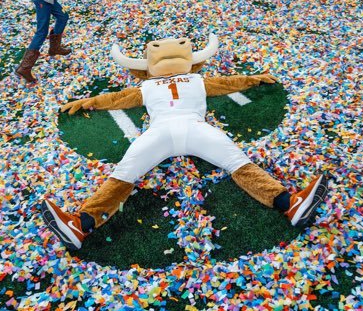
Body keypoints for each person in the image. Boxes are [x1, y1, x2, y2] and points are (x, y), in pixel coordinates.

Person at [40, 34, 328, 250]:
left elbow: (230, 83)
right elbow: (117, 99)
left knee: (236, 163)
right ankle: (80, 226)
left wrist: (253, 79)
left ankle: (291, 204)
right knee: (233, 163)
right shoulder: (157, 84)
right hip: (186, 131)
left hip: (169, 132)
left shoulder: (179, 81)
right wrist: (90, 101)